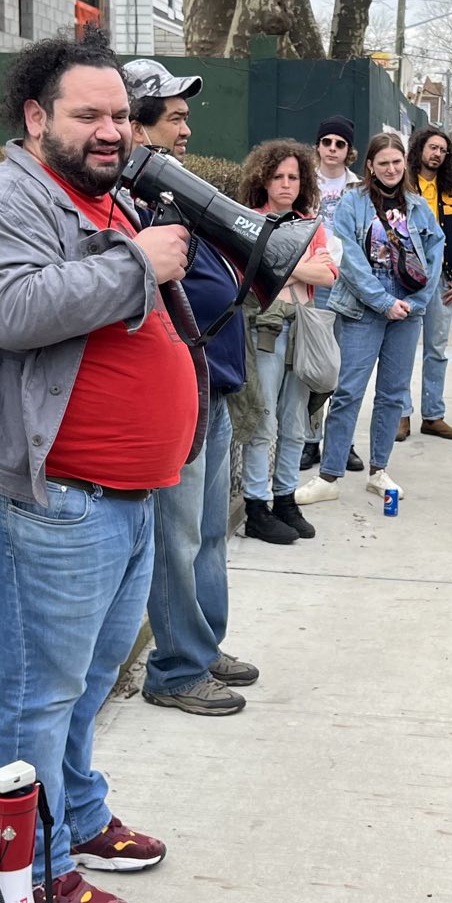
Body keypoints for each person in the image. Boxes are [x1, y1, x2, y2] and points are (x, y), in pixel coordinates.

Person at [0, 30, 194, 903]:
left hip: (120, 498)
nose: (113, 129)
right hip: (40, 497)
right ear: (38, 117)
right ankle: (29, 876)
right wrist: (137, 266)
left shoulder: (105, 195)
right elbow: (11, 314)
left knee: (85, 683)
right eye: (91, 114)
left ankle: (77, 816)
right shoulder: (2, 200)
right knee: (36, 695)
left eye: (122, 114)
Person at [119, 60, 262, 717]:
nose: (186, 126)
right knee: (176, 537)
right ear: (141, 126)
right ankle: (174, 668)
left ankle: (202, 648)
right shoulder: (131, 200)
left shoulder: (174, 190)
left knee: (207, 533)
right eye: (174, 115)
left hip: (216, 384)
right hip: (179, 393)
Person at [317, 133, 444, 503]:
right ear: (369, 165)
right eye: (383, 162)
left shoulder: (418, 206)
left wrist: (415, 301)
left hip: (408, 310)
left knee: (392, 394)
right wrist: (382, 300)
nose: (391, 168)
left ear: (405, 163)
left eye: (397, 161)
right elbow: (348, 257)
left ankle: (379, 470)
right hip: (363, 307)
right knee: (348, 390)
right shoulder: (351, 203)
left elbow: (435, 256)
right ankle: (329, 475)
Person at [232, 140, 339, 538]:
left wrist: (282, 270)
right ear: (263, 178)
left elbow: (328, 274)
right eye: (278, 176)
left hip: (303, 329)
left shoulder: (310, 224)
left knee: (296, 420)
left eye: (294, 177)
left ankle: (286, 499)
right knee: (262, 418)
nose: (286, 184)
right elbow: (250, 274)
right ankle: (257, 507)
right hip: (264, 329)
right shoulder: (250, 222)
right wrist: (301, 268)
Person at [399, 124, 452, 442]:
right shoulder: (403, 184)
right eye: (432, 147)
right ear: (419, 149)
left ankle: (433, 415)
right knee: (400, 349)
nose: (437, 154)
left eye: (443, 150)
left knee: (437, 350)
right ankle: (400, 414)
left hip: (443, 280)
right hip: (405, 280)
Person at [301, 118, 365, 475]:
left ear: (348, 150)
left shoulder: (359, 186)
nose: (332, 149)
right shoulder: (304, 180)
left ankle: (343, 441)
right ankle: (310, 441)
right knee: (316, 364)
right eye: (326, 141)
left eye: (340, 144)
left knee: (345, 367)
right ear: (318, 145)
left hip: (351, 281)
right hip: (316, 278)